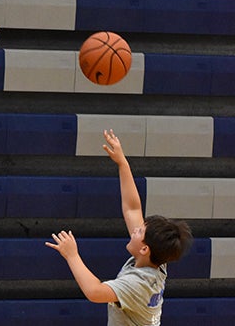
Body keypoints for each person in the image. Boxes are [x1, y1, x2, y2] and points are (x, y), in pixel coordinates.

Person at [45, 129, 193, 326]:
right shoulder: (156, 259)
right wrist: (122, 163)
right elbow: (132, 209)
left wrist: (72, 255)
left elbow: (95, 292)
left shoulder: (138, 284)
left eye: (140, 231)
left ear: (144, 248)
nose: (135, 229)